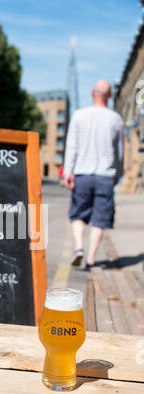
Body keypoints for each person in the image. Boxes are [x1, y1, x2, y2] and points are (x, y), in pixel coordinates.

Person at [63, 79, 124, 270]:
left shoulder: (79, 116)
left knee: (78, 214)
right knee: (100, 218)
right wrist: (118, 173)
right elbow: (119, 151)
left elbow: (71, 146)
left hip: (82, 174)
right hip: (105, 175)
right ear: (110, 95)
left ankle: (79, 247)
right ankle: (90, 259)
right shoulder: (116, 119)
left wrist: (68, 171)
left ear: (92, 93)